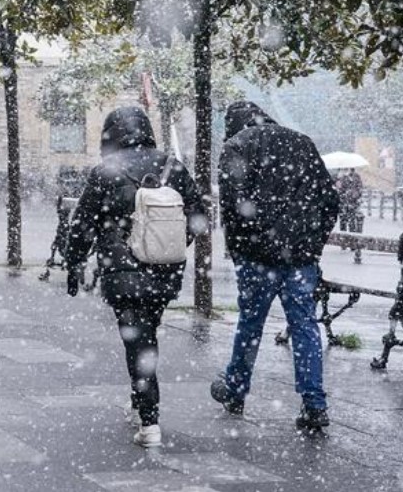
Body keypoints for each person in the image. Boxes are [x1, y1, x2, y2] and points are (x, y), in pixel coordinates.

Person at [64, 106, 205, 448]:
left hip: (122, 271)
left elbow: (82, 226)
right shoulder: (172, 166)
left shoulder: (105, 171)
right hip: (164, 270)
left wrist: (74, 264)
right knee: (146, 334)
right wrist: (169, 243)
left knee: (137, 341)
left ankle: (149, 421)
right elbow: (199, 216)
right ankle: (140, 401)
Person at [210, 101, 340, 432]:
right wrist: (312, 245)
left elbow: (233, 208)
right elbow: (329, 200)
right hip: (299, 259)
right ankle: (314, 404)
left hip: (258, 257)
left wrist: (240, 251)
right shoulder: (301, 142)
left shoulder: (237, 146)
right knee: (305, 327)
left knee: (250, 324)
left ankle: (236, 390)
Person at [335, 168, 364, 233]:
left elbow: (360, 189)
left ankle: (351, 236)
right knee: (343, 221)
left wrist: (354, 193)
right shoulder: (340, 177)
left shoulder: (356, 176)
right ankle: (343, 236)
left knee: (352, 221)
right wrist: (339, 188)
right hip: (343, 203)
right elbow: (338, 191)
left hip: (353, 203)